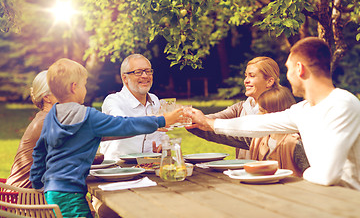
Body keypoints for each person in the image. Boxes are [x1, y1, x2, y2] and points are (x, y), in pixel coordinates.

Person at [191, 37, 360, 189]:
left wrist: (303, 173)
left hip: (348, 201)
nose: (287, 76)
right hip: (321, 196)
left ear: (299, 69)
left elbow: (326, 176)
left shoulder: (342, 104)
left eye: (288, 69)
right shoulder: (303, 110)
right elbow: (257, 123)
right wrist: (208, 123)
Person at [29, 58, 184, 218]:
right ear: (74, 87)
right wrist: (162, 120)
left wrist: (37, 181)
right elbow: (125, 125)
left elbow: (39, 151)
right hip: (71, 194)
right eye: (84, 85)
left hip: (52, 190)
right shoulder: (88, 117)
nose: (86, 89)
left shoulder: (51, 116)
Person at [188, 56, 281, 159]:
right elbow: (212, 118)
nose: (246, 81)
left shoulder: (279, 110)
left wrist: (204, 123)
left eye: (252, 76)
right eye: (246, 76)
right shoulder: (240, 108)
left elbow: (249, 139)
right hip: (242, 173)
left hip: (270, 173)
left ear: (269, 81)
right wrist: (189, 118)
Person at [100, 54, 168, 160]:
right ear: (125, 78)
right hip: (117, 169)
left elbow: (162, 135)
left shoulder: (154, 100)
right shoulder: (113, 101)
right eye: (138, 72)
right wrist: (154, 121)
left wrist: (163, 146)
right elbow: (124, 124)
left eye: (148, 71)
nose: (145, 76)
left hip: (149, 166)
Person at [6, 71, 57, 188]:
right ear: (47, 97)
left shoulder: (45, 117)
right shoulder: (48, 121)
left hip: (27, 192)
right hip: (26, 197)